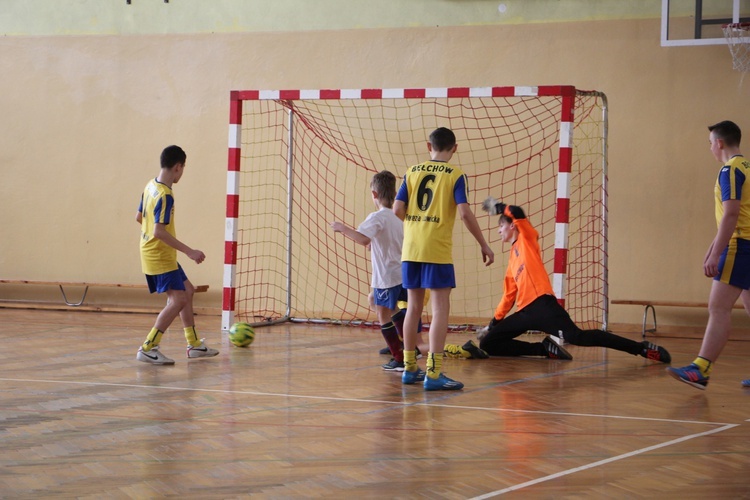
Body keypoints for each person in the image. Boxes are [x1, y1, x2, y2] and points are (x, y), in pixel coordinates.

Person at [475, 197, 672, 364]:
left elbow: (517, 211)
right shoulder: (511, 260)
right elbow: (508, 296)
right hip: (524, 312)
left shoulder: (527, 240)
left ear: (512, 225)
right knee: (488, 343)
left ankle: (642, 349)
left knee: (576, 337)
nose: (499, 231)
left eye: (501, 225)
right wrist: (492, 326)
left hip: (543, 306)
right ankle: (544, 349)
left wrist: (499, 207)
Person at [393, 127, 495, 391]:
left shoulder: (411, 171)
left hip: (411, 249)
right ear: (454, 148)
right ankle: (434, 373)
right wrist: (483, 244)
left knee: (413, 308)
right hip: (436, 249)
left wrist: (417, 225)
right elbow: (464, 213)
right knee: (439, 309)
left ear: (429, 146)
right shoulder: (456, 175)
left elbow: (397, 208)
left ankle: (408, 368)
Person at [668, 120, 750, 390]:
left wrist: (717, 254)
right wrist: (712, 247)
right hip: (745, 243)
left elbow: (731, 214)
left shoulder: (730, 170)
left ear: (720, 143)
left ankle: (700, 369)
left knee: (718, 308)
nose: (711, 149)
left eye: (710, 144)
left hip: (741, 247)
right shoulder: (748, 168)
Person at [135, 145, 219, 365]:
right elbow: (158, 231)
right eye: (183, 169)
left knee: (188, 291)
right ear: (178, 167)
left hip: (159, 252)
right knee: (178, 299)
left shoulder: (150, 186)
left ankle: (194, 345)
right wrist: (189, 251)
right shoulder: (165, 195)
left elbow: (138, 217)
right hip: (158, 255)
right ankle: (148, 347)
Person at [331, 170, 412, 371]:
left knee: (383, 314)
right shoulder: (396, 218)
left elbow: (363, 238)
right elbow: (383, 241)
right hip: (399, 273)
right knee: (387, 307)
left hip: (385, 276)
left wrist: (342, 228)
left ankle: (399, 357)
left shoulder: (377, 217)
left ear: (374, 194)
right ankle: (410, 348)